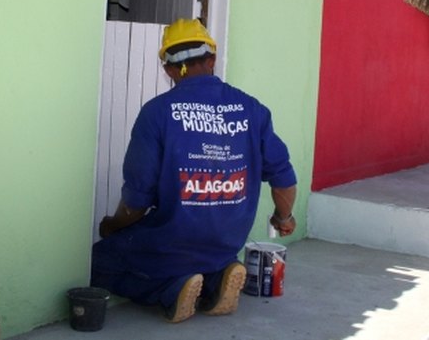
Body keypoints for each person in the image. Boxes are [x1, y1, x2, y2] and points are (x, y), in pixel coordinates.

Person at [91, 18, 298, 323]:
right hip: (225, 242)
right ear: (211, 59)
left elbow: (137, 199)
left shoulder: (157, 113)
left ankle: (171, 290)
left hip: (172, 241)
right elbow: (283, 178)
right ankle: (216, 278)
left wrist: (114, 225)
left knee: (98, 263)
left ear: (169, 69)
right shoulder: (252, 109)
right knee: (204, 258)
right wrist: (283, 218)